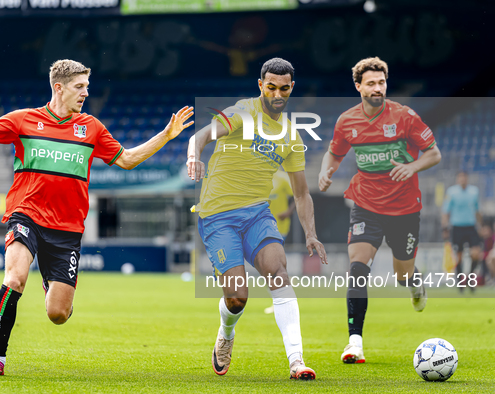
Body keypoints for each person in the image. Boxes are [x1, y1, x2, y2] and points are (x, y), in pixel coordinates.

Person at [0, 59, 194, 377]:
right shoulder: (23, 120)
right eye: (80, 87)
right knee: (15, 278)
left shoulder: (92, 128)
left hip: (66, 229)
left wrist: (166, 135)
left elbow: (127, 160)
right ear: (59, 87)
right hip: (26, 215)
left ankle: (54, 286)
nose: (86, 93)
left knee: (58, 314)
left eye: (87, 87)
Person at [187, 58, 328, 380]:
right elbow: (201, 136)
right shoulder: (242, 113)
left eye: (284, 88)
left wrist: (310, 233)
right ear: (261, 85)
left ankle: (297, 361)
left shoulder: (291, 135)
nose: (277, 93)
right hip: (218, 216)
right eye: (271, 87)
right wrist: (194, 158)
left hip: (257, 214)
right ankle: (226, 332)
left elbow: (302, 193)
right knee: (237, 298)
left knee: (279, 271)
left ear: (291, 88)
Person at [318, 57, 441, 364]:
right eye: (371, 83)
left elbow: (434, 153)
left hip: (404, 208)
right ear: (358, 86)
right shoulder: (347, 121)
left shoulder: (405, 117)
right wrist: (325, 172)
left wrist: (412, 166)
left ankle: (414, 283)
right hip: (366, 205)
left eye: (381, 83)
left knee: (402, 275)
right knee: (358, 270)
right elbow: (334, 154)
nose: (377, 88)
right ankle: (354, 343)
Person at [441, 171, 482, 291]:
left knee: (476, 254)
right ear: (457, 179)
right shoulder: (451, 192)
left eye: (464, 177)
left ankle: (469, 278)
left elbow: (477, 210)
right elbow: (445, 211)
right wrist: (444, 227)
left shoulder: (474, 191)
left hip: (471, 226)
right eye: (460, 178)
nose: (462, 180)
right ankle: (460, 283)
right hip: (457, 227)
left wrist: (480, 225)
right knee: (459, 257)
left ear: (467, 179)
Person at [264, 168, 295, 314]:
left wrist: (288, 212)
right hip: (262, 226)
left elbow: (297, 195)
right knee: (268, 266)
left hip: (279, 226)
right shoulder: (259, 174)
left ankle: (281, 301)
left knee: (272, 264)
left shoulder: (282, 177)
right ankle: (280, 300)